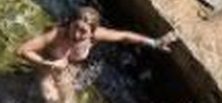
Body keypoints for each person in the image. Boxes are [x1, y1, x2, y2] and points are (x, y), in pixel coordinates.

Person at [16, 6, 176, 103]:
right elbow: (21, 50)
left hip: (69, 68)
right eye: (75, 27)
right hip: (48, 64)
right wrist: (48, 64)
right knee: (50, 97)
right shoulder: (57, 34)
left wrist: (154, 43)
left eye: (83, 32)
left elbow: (124, 36)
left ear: (92, 32)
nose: (77, 35)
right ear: (70, 22)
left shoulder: (96, 35)